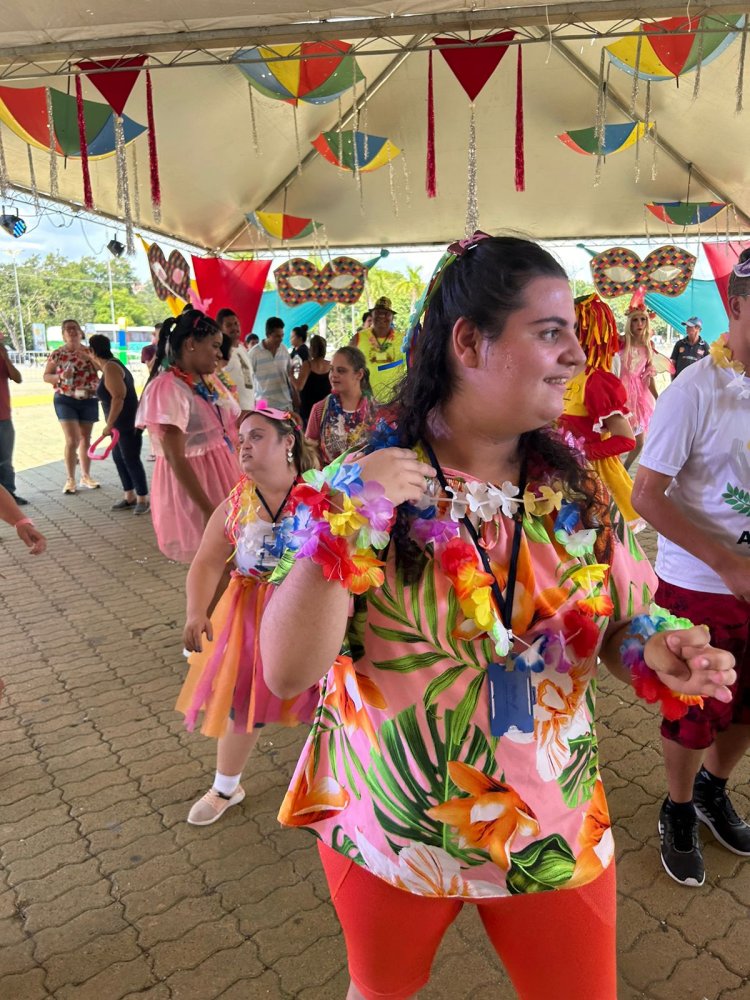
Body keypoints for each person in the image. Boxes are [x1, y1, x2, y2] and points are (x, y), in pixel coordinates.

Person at [260, 235, 735, 1000]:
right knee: (379, 992)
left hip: (553, 820)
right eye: (551, 332)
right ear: (469, 341)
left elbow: (621, 624)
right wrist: (353, 515)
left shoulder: (574, 489)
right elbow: (285, 670)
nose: (577, 356)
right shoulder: (359, 481)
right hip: (387, 821)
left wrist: (660, 651)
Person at [632, 251, 750, 888]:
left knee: (747, 706)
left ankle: (712, 789)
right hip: (699, 586)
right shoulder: (694, 389)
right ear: (733, 309)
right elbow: (645, 496)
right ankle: (677, 809)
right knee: (691, 708)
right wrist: (727, 562)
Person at [177, 404, 320, 825]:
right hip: (248, 614)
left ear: (288, 442)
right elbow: (206, 562)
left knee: (328, 696)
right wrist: (195, 611)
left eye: (257, 436)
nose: (244, 447)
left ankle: (336, 779)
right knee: (242, 697)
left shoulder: (321, 497)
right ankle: (226, 786)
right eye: (241, 440)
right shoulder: (237, 502)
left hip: (308, 611)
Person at [136, 310, 240, 563]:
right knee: (214, 564)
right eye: (214, 346)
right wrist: (206, 508)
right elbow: (174, 456)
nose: (219, 353)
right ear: (191, 344)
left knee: (234, 560)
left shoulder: (207, 380)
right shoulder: (169, 387)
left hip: (224, 473)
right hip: (199, 485)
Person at [558, 293, 640, 529]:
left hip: (592, 479)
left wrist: (583, 452)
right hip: (558, 472)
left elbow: (626, 440)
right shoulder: (557, 374)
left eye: (571, 326)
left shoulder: (596, 383)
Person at [88, 335, 150, 515]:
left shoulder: (111, 367)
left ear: (92, 351)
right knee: (119, 458)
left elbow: (118, 397)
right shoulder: (110, 366)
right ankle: (129, 495)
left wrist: (109, 424)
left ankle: (142, 498)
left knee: (130, 459)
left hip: (125, 423)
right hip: (119, 425)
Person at [43, 319, 100, 495]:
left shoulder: (89, 351)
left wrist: (90, 358)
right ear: (63, 334)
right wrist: (59, 377)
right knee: (72, 439)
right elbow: (46, 375)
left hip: (88, 397)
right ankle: (70, 479)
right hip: (65, 398)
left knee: (85, 438)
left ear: (81, 332)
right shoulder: (58, 353)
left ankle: (86, 476)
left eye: (74, 328)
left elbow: (102, 368)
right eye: (67, 329)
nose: (72, 332)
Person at [305, 346, 377, 465]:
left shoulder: (377, 410)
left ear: (359, 374)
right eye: (332, 369)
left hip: (368, 480)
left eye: (341, 370)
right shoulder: (320, 409)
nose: (333, 375)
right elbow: (311, 452)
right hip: (328, 481)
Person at [619, 307, 660, 471]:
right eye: (635, 320)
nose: (639, 323)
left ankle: (624, 468)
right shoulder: (621, 341)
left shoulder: (649, 345)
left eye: (643, 319)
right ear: (629, 322)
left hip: (640, 397)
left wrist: (658, 397)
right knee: (619, 437)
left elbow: (648, 377)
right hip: (620, 391)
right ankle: (614, 474)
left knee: (640, 442)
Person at [349, 296, 406, 403]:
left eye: (386, 313)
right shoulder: (358, 338)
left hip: (395, 402)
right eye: (378, 312)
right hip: (366, 401)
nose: (382, 316)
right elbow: (347, 367)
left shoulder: (403, 339)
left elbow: (412, 367)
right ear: (372, 315)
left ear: (392, 317)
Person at [0, 331, 26, 505]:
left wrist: (6, 358)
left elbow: (18, 378)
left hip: (3, 416)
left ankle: (9, 494)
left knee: (5, 460)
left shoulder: (3, 358)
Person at [249, 317, 293, 410]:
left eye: (282, 335)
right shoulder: (254, 354)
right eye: (277, 336)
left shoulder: (284, 349)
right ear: (267, 334)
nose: (281, 339)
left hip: (285, 405)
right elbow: (247, 381)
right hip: (263, 406)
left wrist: (295, 396)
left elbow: (290, 375)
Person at [217, 308, 254, 414]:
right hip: (233, 414)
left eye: (236, 324)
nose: (234, 328)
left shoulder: (242, 348)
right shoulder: (220, 353)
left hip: (249, 411)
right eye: (229, 325)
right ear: (220, 328)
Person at [295, 334, 332, 428]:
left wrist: (290, 375)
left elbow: (299, 386)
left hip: (309, 409)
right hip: (326, 407)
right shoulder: (330, 365)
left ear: (312, 349)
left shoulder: (307, 365)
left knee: (309, 438)